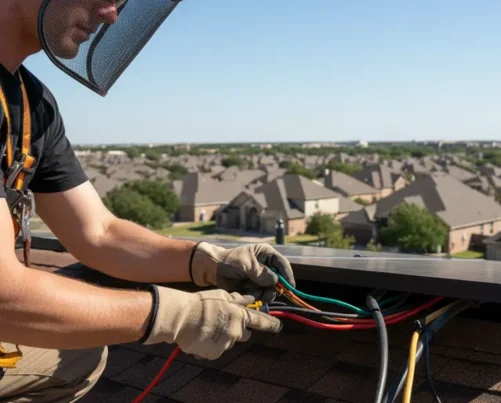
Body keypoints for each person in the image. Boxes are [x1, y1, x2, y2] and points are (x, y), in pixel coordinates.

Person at [0, 0, 296, 401]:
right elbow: (4, 295)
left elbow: (99, 233)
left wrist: (207, 261)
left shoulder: (31, 104)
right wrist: (175, 315)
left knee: (75, 355)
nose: (112, 14)